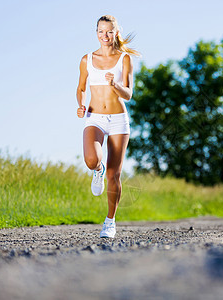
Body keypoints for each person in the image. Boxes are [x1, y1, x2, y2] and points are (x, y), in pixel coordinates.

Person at [76, 15, 140, 238]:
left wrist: (115, 84)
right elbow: (81, 87)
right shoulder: (87, 59)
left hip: (119, 121)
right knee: (92, 160)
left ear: (116, 33)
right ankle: (97, 170)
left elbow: (129, 94)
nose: (105, 36)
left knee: (114, 175)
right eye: (101, 32)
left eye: (109, 32)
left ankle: (110, 222)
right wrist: (80, 105)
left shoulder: (125, 59)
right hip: (95, 117)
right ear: (96, 33)